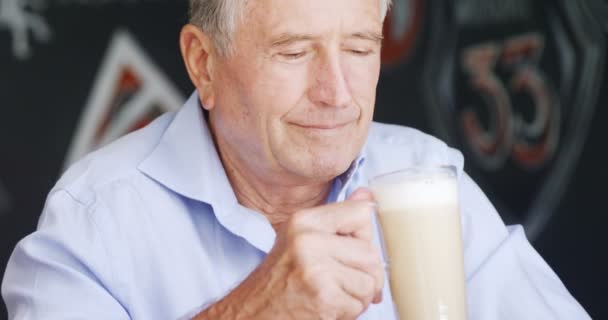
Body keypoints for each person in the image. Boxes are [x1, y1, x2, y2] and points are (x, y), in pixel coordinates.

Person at [1, 0, 590, 319]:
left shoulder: (424, 176)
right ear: (203, 63)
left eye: (360, 48)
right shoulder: (93, 220)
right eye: (293, 51)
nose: (337, 92)